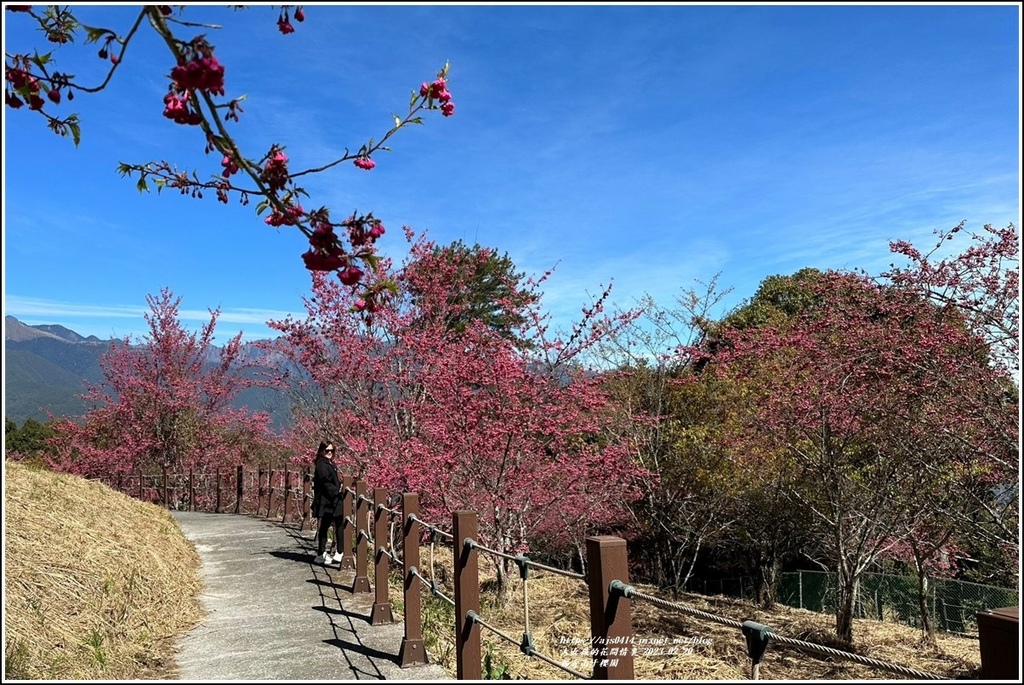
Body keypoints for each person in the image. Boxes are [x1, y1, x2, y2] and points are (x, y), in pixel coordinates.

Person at [311, 441, 344, 565]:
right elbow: (325, 482)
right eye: (327, 450)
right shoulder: (322, 464)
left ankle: (322, 553)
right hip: (329, 501)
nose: (330, 453)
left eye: (332, 451)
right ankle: (339, 552)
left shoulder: (327, 463)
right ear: (321, 451)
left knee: (325, 526)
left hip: (327, 500)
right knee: (338, 524)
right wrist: (337, 491)